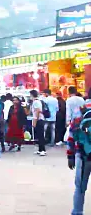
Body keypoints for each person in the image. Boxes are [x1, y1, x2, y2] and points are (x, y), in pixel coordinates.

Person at [66, 87, 88, 215]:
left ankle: (77, 212)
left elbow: (71, 136)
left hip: (82, 155)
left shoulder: (80, 113)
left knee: (80, 187)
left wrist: (70, 156)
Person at [30, 90, 46, 156]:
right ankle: (40, 149)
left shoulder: (36, 102)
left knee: (40, 135)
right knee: (39, 135)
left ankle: (43, 150)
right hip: (39, 120)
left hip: (39, 120)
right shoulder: (37, 101)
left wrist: (34, 122)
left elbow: (37, 112)